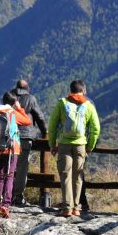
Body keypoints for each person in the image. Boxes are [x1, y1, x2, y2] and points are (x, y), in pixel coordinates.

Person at [47, 78, 100, 218]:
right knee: (78, 176)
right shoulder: (89, 105)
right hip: (80, 145)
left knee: (65, 176)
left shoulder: (62, 103)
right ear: (83, 90)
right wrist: (89, 146)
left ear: (70, 90)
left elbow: (52, 126)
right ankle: (76, 208)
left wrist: (52, 145)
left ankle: (67, 208)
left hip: (64, 144)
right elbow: (96, 129)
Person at [10, 78, 49, 207]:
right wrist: (45, 132)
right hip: (25, 137)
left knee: (8, 165)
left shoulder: (9, 96)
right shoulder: (30, 99)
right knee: (22, 168)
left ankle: (5, 194)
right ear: (27, 88)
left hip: (9, 135)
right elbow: (39, 117)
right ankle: (17, 197)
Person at [0, 92, 22, 218]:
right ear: (13, 102)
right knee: (10, 175)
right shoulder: (13, 113)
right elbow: (27, 121)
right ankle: (5, 205)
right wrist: (19, 108)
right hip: (12, 149)